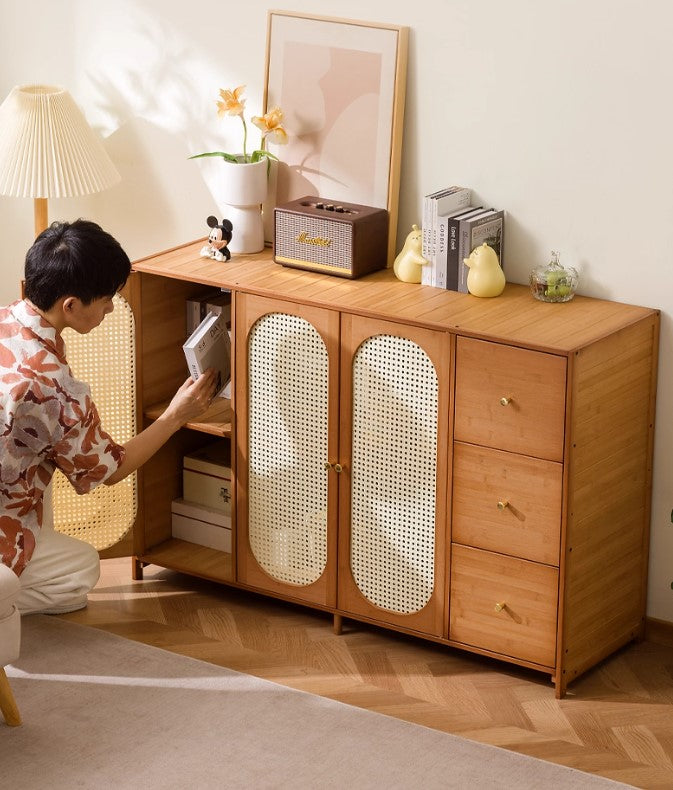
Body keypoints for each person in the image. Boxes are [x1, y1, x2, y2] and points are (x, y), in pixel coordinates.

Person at [0, 219, 217, 615]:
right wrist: (174, 415)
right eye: (105, 299)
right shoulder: (55, 389)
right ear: (71, 305)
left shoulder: (4, 319)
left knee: (40, 466)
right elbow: (109, 469)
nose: (111, 307)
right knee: (80, 569)